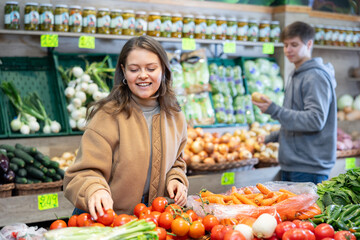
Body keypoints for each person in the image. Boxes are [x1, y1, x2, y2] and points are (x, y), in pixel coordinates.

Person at [64, 35, 189, 220]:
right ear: (123, 71)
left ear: (163, 69)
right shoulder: (107, 116)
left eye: (151, 68)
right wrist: (94, 190)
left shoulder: (175, 115)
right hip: (107, 222)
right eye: (134, 69)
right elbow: (83, 172)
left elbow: (177, 161)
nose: (143, 75)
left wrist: (176, 179)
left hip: (152, 221)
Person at [252, 21, 337, 184]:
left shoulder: (314, 77)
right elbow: (297, 121)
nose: (288, 50)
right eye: (285, 45)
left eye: (294, 45)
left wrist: (275, 110)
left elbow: (315, 120)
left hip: (308, 167)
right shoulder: (296, 74)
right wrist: (271, 137)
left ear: (309, 44)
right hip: (294, 165)